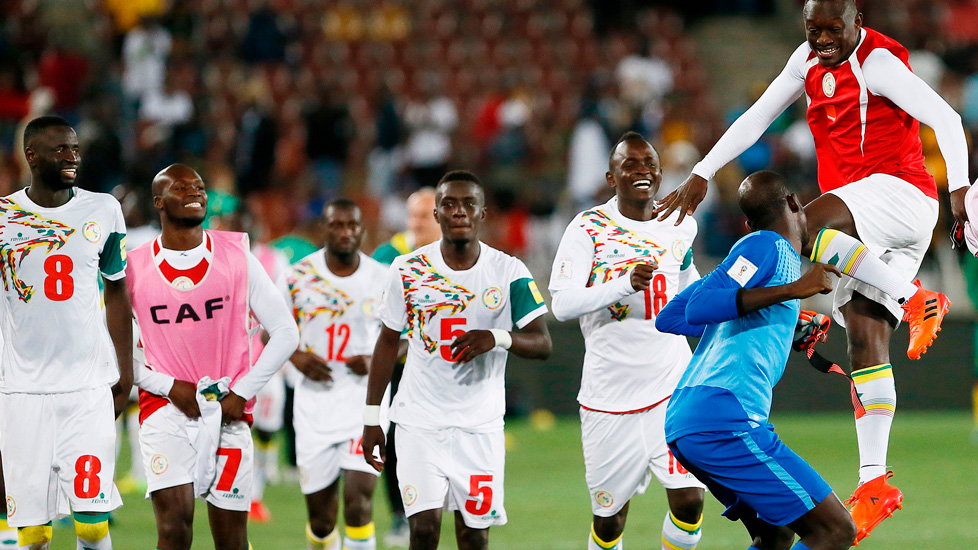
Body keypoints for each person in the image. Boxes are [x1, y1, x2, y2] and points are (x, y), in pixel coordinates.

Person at [655, 0, 963, 539]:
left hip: (899, 194)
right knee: (865, 336)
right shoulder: (807, 61)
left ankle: (918, 298)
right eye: (812, 28)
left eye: (832, 28)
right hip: (872, 218)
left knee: (800, 233)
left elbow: (949, 118)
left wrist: (959, 189)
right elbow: (756, 117)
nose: (822, 38)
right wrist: (704, 171)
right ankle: (873, 481)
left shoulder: (879, 64)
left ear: (857, 23)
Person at [657, 170, 857, 550]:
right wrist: (794, 290)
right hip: (723, 419)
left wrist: (782, 312)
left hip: (691, 418)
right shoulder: (766, 246)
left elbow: (670, 316)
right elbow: (699, 307)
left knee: (775, 534)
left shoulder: (757, 258)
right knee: (835, 530)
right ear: (796, 203)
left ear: (748, 220)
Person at [362, 171, 552, 550]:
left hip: (479, 428)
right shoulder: (407, 269)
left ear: (483, 213)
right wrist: (372, 419)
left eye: (468, 204)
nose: (459, 212)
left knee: (473, 537)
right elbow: (386, 344)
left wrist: (496, 337)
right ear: (436, 215)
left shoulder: (508, 271)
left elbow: (542, 343)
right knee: (425, 531)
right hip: (419, 423)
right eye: (449, 204)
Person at [126, 164, 298, 550]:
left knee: (232, 541)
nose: (195, 192)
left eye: (200, 186)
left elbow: (287, 333)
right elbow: (112, 350)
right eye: (181, 187)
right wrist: (168, 386)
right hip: (165, 409)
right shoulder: (133, 266)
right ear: (158, 202)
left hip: (229, 413)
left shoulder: (237, 255)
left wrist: (242, 393)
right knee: (173, 529)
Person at [549, 132, 706, 550]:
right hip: (608, 397)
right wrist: (621, 285)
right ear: (610, 176)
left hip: (672, 386)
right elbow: (562, 304)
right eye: (630, 165)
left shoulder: (680, 225)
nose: (642, 171)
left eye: (649, 164)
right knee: (609, 520)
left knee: (690, 501)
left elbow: (690, 289)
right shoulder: (588, 229)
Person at [0, 115, 133, 550]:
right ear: (32, 155)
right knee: (34, 534)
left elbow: (117, 292)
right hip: (21, 392)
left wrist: (124, 371)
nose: (72, 156)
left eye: (75, 148)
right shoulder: (4, 219)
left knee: (93, 524)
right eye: (60, 149)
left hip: (86, 388)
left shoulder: (104, 210)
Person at [282, 199, 389, 550]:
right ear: (323, 229)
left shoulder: (384, 278)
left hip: (365, 407)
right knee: (322, 519)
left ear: (363, 230)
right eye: (337, 225)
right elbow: (271, 329)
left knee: (359, 504)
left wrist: (376, 359)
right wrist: (296, 356)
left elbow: (408, 337)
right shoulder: (298, 276)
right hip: (314, 407)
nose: (345, 232)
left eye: (352, 226)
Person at [371, 186, 441, 547]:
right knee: (396, 438)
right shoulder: (388, 255)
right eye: (412, 215)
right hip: (400, 364)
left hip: (444, 366)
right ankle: (401, 515)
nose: (415, 223)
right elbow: (375, 311)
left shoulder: (453, 253)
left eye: (423, 216)